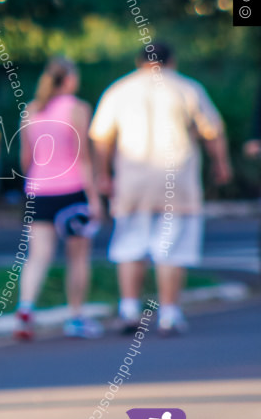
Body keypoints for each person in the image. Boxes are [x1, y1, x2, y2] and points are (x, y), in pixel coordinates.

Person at [90, 43, 232, 335]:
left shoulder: (119, 90)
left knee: (130, 246)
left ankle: (129, 310)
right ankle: (168, 314)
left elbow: (101, 138)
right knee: (172, 250)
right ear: (172, 60)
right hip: (176, 181)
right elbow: (213, 131)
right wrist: (221, 164)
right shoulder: (187, 88)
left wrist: (102, 174)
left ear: (138, 60)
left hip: (132, 182)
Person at [14, 58, 103, 340]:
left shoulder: (31, 110)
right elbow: (83, 156)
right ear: (69, 80)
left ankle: (25, 310)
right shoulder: (78, 109)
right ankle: (75, 316)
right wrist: (94, 198)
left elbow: (25, 158)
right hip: (72, 190)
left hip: (38, 190)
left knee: (37, 256)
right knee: (77, 257)